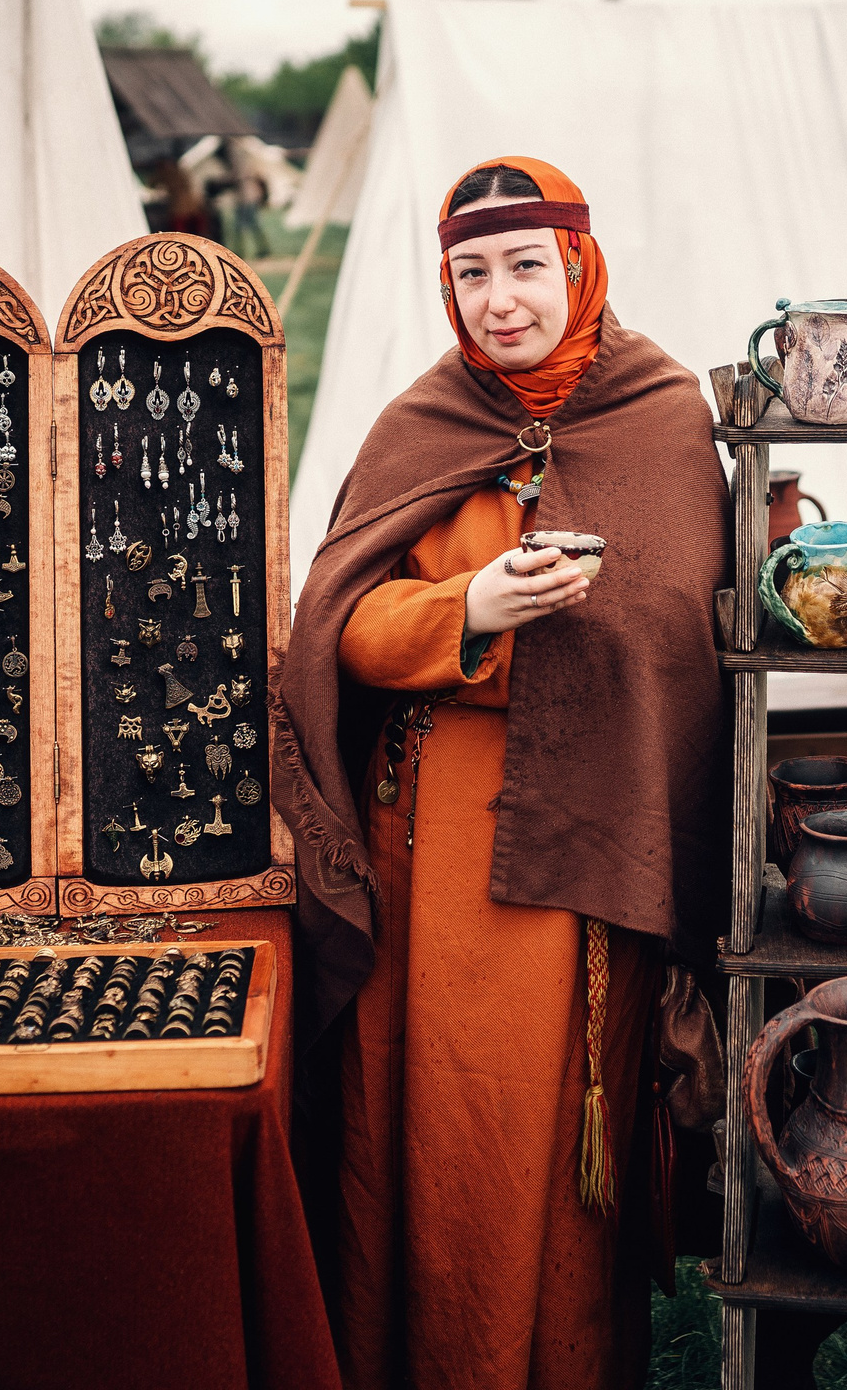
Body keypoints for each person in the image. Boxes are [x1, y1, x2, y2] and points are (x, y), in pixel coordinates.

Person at [278, 158, 730, 1390]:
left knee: (559, 1138)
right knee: (437, 1131)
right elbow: (343, 628)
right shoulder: (422, 425)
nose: (498, 300)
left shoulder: (665, 417)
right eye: (469, 273)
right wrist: (466, 611)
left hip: (598, 844)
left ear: (578, 266)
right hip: (442, 852)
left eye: (525, 265)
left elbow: (689, 628)